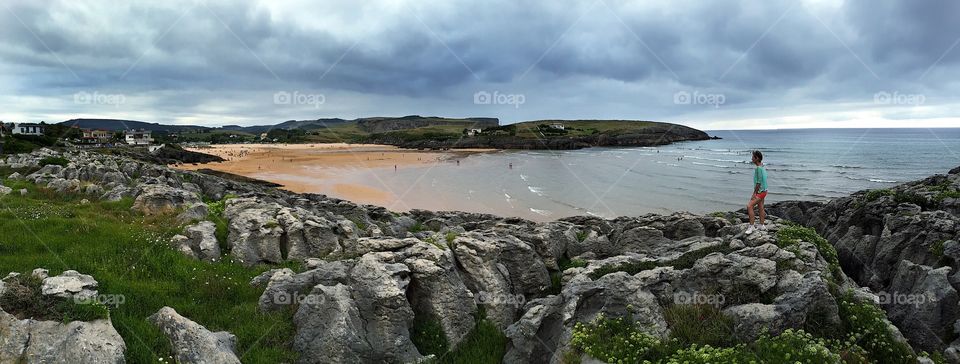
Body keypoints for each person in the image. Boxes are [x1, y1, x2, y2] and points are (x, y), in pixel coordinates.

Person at [746, 150, 768, 233]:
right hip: (764, 191)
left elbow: (758, 182)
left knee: (749, 206)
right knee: (761, 207)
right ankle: (761, 225)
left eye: (753, 157)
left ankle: (751, 226)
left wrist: (754, 193)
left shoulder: (758, 168)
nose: (751, 159)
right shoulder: (762, 167)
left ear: (757, 158)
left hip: (760, 192)